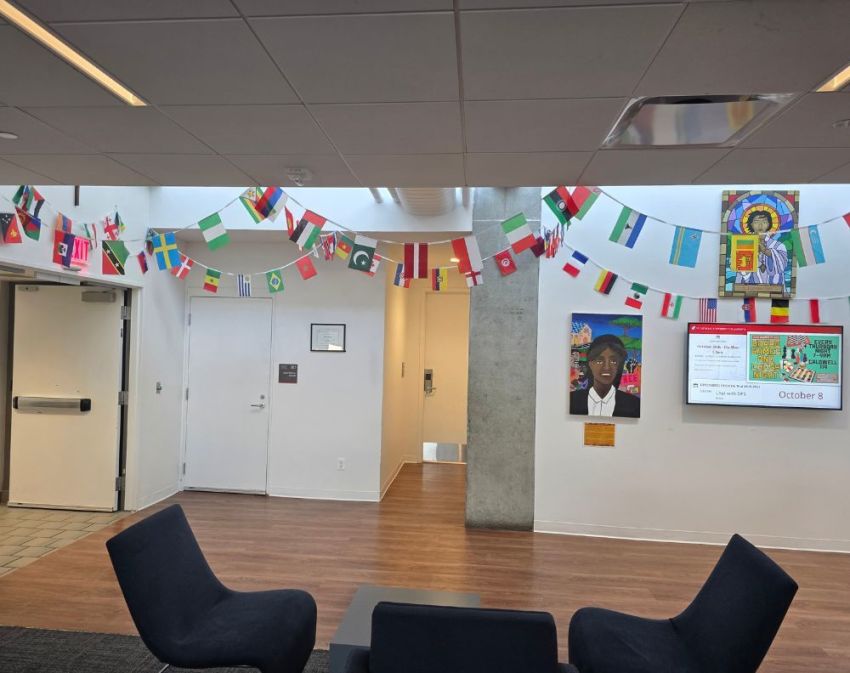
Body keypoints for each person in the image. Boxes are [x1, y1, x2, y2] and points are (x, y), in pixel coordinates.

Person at [570, 334, 641, 418]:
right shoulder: (572, 400)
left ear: (619, 366)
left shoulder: (634, 404)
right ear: (591, 364)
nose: (607, 367)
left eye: (613, 361)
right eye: (600, 361)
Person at [735, 210, 788, 288]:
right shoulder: (744, 244)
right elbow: (741, 269)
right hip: (750, 286)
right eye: (756, 222)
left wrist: (766, 252)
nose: (760, 225)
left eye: (764, 222)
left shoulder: (778, 246)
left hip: (774, 287)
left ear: (769, 224)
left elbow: (782, 265)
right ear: (751, 224)